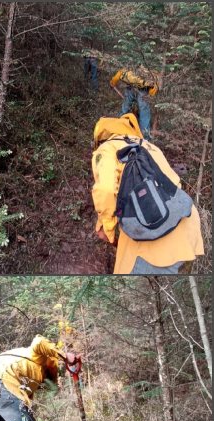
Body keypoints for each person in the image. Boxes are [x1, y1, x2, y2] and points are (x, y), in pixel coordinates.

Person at [92, 113, 204, 274]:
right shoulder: (148, 145)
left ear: (101, 137)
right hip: (187, 225)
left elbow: (106, 189)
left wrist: (107, 229)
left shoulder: (107, 149)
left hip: (155, 244)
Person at [109, 67, 158, 140]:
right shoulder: (151, 73)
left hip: (130, 88)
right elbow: (153, 89)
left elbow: (119, 74)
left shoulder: (130, 68)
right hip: (143, 91)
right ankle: (145, 137)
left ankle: (118, 130)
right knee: (144, 113)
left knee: (124, 109)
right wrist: (150, 94)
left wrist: (112, 83)